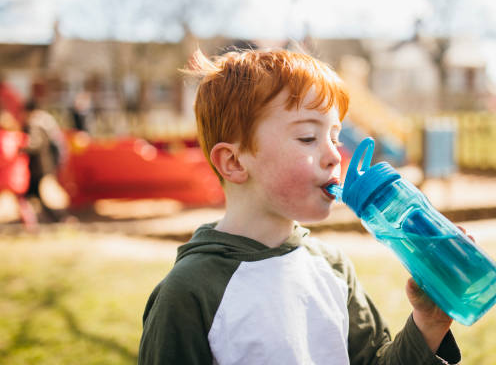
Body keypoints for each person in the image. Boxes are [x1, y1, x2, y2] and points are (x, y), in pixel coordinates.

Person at [138, 49, 462, 364]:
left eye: (335, 137)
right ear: (234, 161)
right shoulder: (189, 293)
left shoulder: (333, 268)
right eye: (308, 137)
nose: (335, 155)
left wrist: (428, 322)